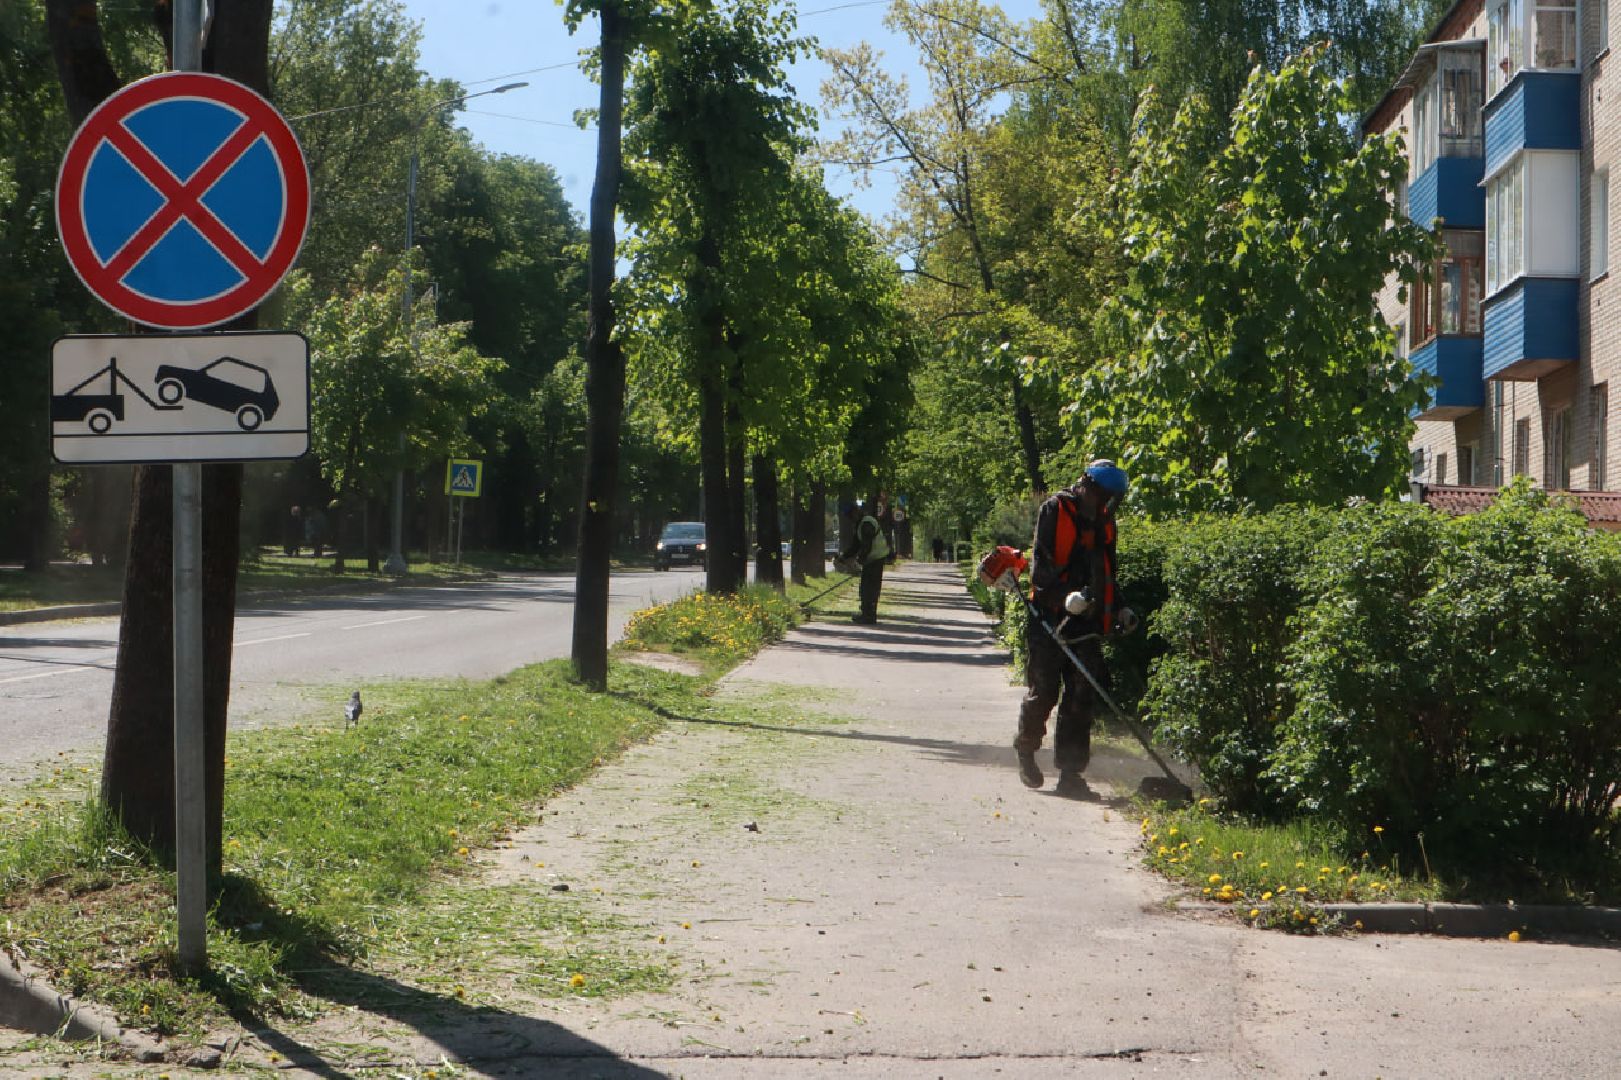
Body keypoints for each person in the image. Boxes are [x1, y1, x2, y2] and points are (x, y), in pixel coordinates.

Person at [1014, 460, 1136, 797]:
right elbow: (1040, 567)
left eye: (1112, 499)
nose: (1106, 504)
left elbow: (1107, 570)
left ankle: (1070, 773)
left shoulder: (1104, 524)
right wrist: (1063, 597)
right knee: (1045, 691)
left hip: (1087, 619)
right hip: (1049, 616)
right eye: (1103, 496)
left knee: (1081, 696)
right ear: (1088, 487)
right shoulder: (1054, 510)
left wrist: (1120, 606)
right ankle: (1026, 749)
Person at [838, 500, 890, 625]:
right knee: (866, 586)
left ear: (856, 511)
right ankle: (867, 613)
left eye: (851, 515)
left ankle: (869, 615)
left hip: (876, 558)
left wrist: (860, 560)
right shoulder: (860, 524)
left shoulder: (867, 523)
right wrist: (843, 557)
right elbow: (856, 545)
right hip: (872, 558)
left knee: (870, 587)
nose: (850, 518)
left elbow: (867, 545)